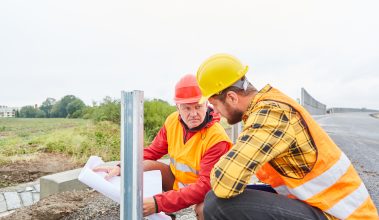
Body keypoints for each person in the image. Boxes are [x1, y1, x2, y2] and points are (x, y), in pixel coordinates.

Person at [196, 54, 378, 220]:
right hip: (318, 203)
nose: (215, 111)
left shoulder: (271, 114)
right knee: (216, 200)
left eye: (214, 103)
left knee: (217, 204)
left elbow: (225, 182)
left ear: (232, 97)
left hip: (338, 215)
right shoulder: (267, 106)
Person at [94, 74, 232, 219]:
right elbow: (153, 151)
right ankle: (164, 216)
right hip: (179, 182)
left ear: (207, 103)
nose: (193, 114)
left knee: (206, 209)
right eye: (186, 108)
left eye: (198, 106)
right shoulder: (172, 121)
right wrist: (123, 167)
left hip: (204, 192)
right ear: (177, 106)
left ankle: (161, 208)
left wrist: (158, 203)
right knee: (145, 166)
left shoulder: (217, 139)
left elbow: (205, 186)